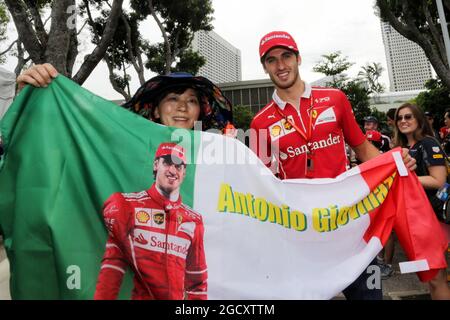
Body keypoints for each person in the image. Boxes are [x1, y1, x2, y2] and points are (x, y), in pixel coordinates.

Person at [250, 30, 416, 300]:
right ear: (265, 66)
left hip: (351, 223)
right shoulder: (260, 122)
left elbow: (362, 148)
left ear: (298, 58)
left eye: (286, 56)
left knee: (369, 296)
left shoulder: (335, 98)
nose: (280, 65)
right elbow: (262, 181)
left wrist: (395, 163)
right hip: (301, 230)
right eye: (272, 60)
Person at [94, 142, 207, 299]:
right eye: (167, 163)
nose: (173, 170)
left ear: (184, 173)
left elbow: (197, 283)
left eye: (179, 166)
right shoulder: (128, 206)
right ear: (156, 165)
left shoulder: (194, 220)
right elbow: (112, 267)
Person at [16, 64, 233, 132]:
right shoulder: (125, 147)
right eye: (173, 98)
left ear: (200, 112)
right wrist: (29, 103)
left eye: (192, 100)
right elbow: (64, 146)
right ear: (156, 110)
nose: (183, 107)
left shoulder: (217, 155)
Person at [393, 103, 450, 300]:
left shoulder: (428, 143)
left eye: (409, 117)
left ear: (419, 120)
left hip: (434, 216)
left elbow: (438, 180)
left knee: (436, 277)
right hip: (418, 217)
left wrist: (406, 181)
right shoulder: (404, 148)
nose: (403, 121)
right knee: (430, 276)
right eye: (400, 118)